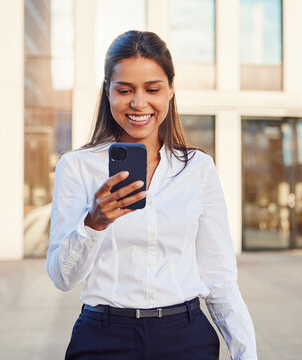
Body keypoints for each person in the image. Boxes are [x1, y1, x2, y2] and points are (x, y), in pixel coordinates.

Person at [46, 30, 257, 360]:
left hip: (185, 337)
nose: (138, 102)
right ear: (107, 92)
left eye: (152, 89)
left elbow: (220, 278)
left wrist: (246, 353)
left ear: (171, 90)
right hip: (103, 337)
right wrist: (93, 224)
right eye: (125, 90)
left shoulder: (198, 168)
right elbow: (62, 277)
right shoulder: (77, 167)